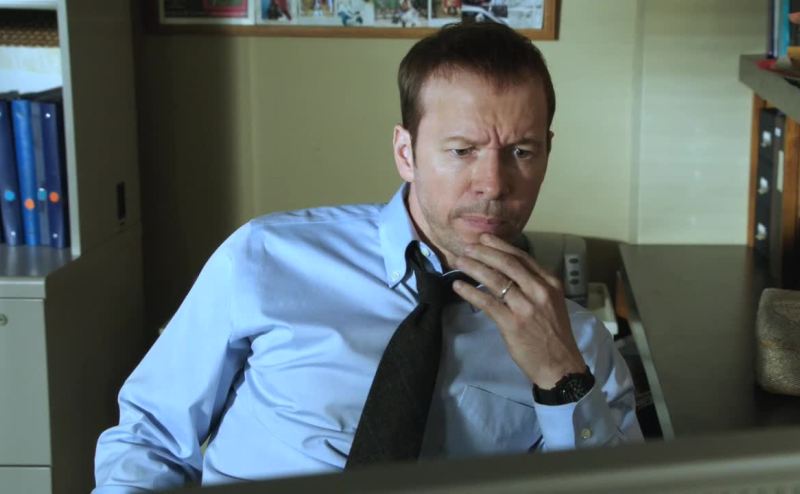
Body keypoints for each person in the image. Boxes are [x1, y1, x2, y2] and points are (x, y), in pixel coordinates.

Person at [93, 21, 643, 493]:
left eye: (521, 151)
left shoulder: (577, 344)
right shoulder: (266, 258)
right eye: (462, 151)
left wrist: (561, 379)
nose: (494, 184)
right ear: (406, 152)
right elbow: (150, 437)